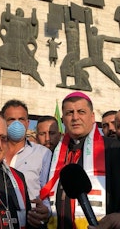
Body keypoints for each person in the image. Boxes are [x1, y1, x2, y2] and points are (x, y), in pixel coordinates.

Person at [40, 91, 120, 229]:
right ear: (63, 119)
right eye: (69, 113)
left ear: (92, 117)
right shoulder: (54, 154)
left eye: (81, 111)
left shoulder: (113, 148)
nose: (75, 117)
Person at [1, 99, 52, 227]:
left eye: (21, 119)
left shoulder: (43, 153)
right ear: (2, 122)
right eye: (11, 119)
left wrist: (46, 211)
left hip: (31, 222)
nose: (17, 124)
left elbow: (48, 191)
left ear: (28, 123)